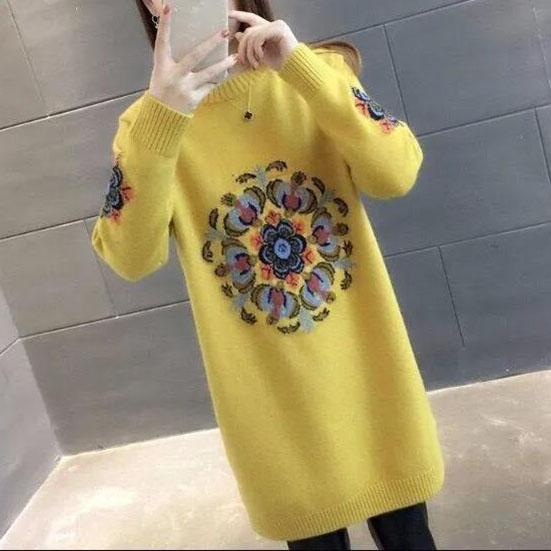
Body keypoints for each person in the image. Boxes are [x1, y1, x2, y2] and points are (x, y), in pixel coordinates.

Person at [90, 0, 446, 548]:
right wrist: (162, 119)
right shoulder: (146, 129)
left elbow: (397, 172)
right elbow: (129, 257)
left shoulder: (315, 74)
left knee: (410, 538)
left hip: (372, 382)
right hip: (273, 414)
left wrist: (300, 67)